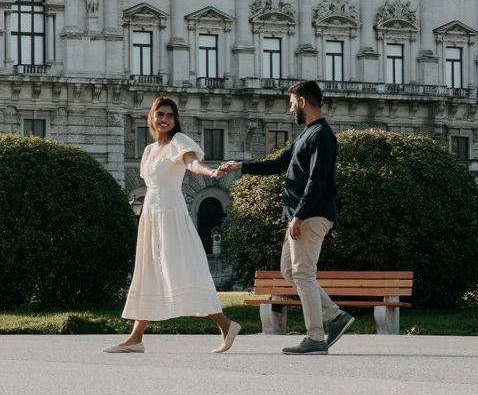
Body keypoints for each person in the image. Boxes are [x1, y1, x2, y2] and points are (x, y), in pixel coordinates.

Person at [217, 79, 355, 354]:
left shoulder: (323, 136)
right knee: (290, 271)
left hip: (311, 215)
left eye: (292, 104)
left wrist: (299, 215)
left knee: (303, 273)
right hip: (301, 215)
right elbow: (279, 164)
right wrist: (241, 166)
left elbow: (317, 181)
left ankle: (316, 337)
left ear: (303, 101)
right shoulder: (306, 134)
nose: (291, 110)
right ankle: (336, 316)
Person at [105, 96, 240, 354]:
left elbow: (192, 163)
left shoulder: (179, 142)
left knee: (181, 269)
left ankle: (226, 324)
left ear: (175, 120)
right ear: (152, 118)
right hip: (151, 213)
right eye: (160, 114)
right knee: (148, 271)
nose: (164, 119)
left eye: (169, 115)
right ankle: (136, 338)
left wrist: (211, 172)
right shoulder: (148, 150)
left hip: (171, 213)